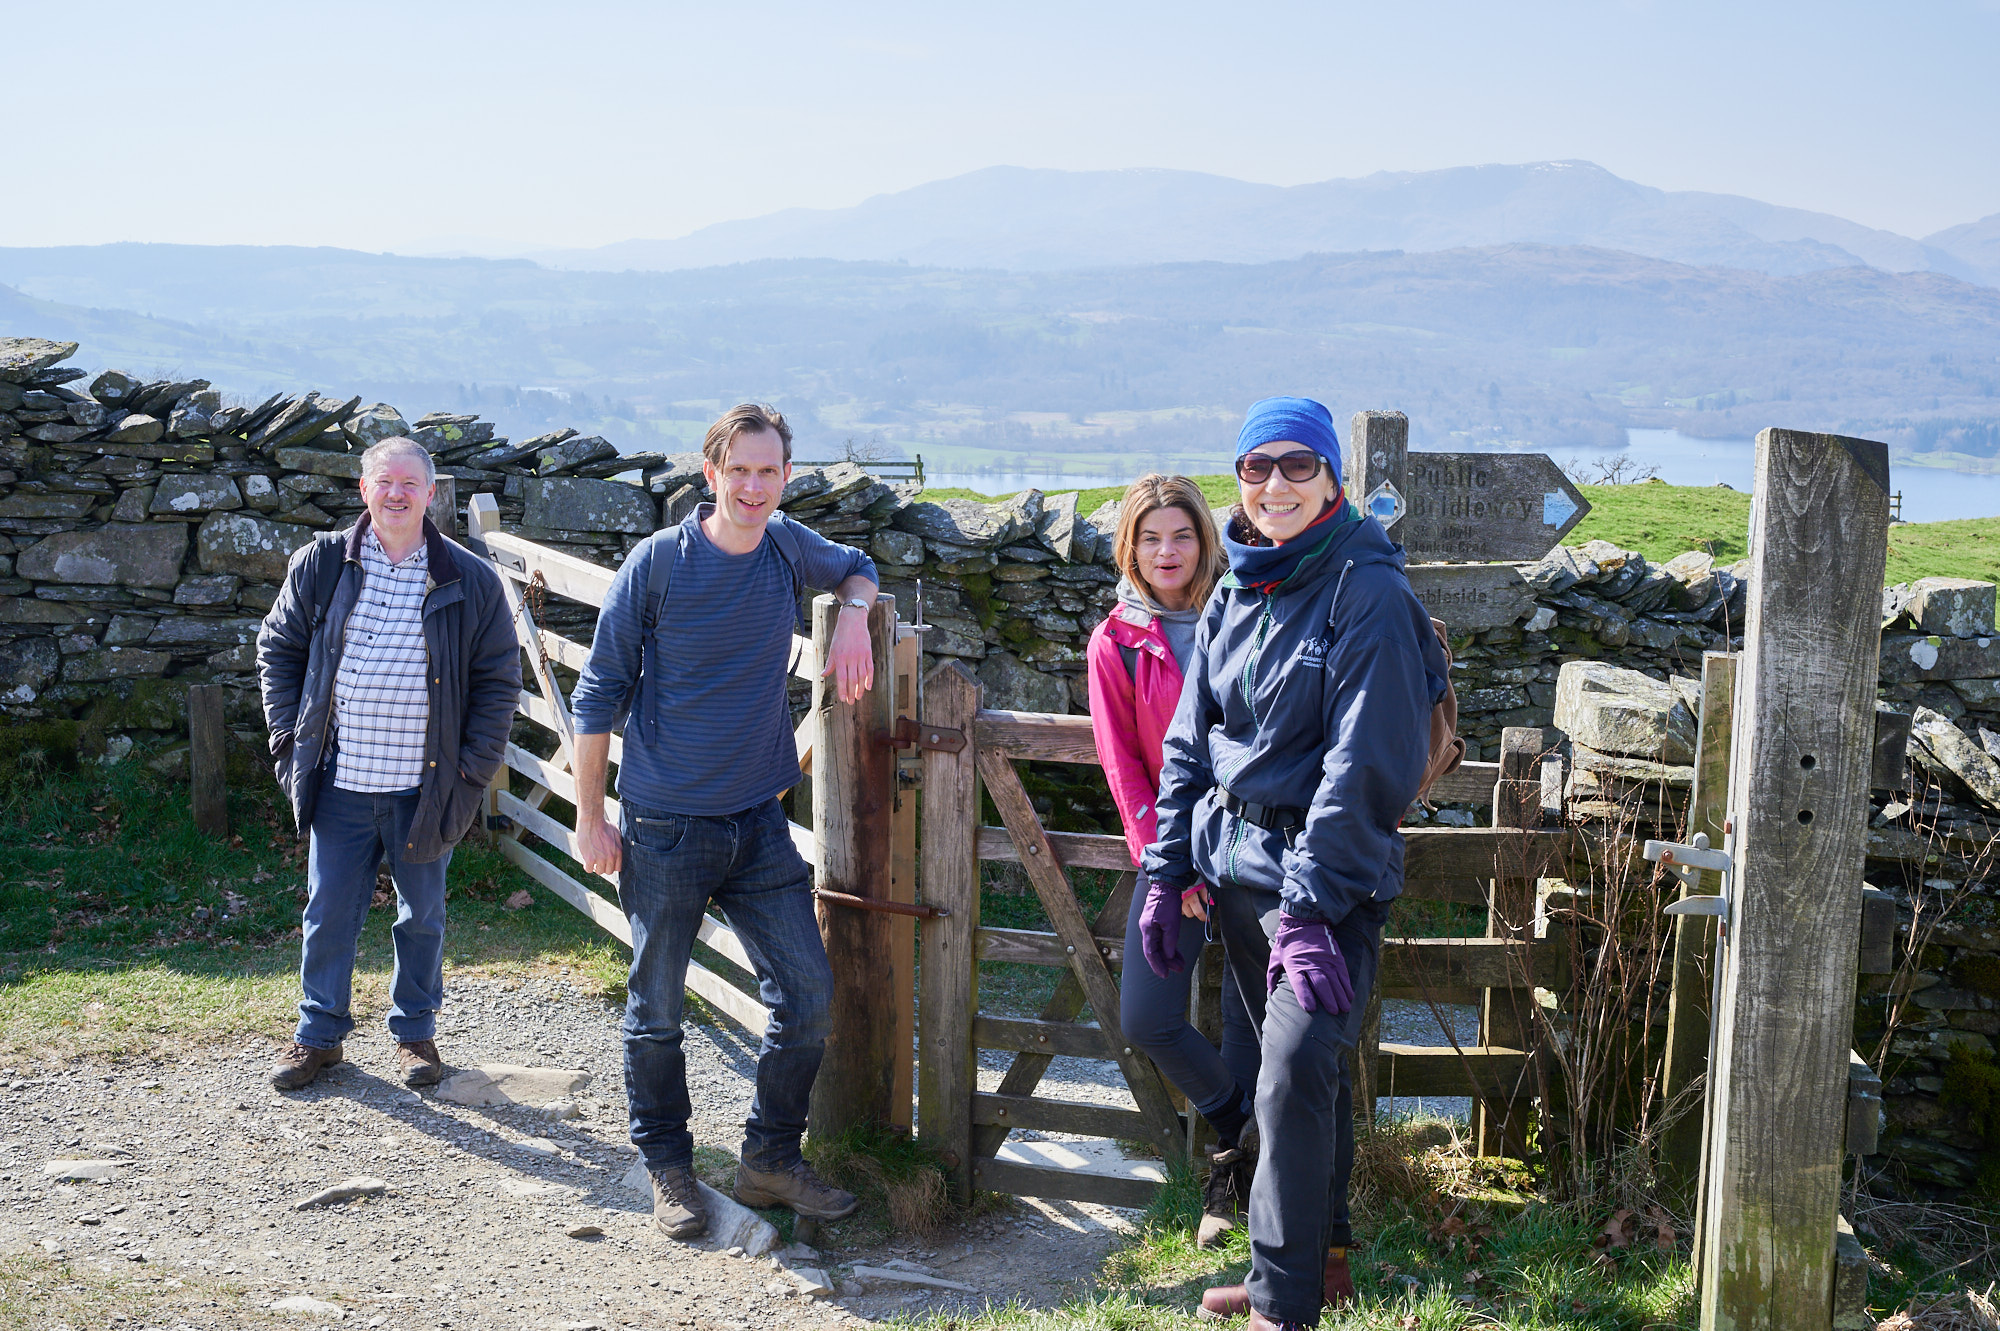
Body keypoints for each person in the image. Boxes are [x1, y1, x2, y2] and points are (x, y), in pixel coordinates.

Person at [1142, 398, 1448, 1327]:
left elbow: (1363, 770)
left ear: (1332, 480)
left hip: (1325, 887)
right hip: (1233, 870)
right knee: (1305, 1077)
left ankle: (1283, 1299)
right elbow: (1192, 741)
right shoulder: (1239, 583)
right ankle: (1327, 1261)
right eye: (1256, 466)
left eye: (1296, 466)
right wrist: (1164, 870)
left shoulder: (1370, 594)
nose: (1274, 484)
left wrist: (1311, 911)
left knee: (1287, 1072)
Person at [568, 403, 881, 1243]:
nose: (752, 485)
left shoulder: (786, 545)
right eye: (737, 470)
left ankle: (769, 1158)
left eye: (768, 471)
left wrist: (853, 615)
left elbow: (860, 566)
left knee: (808, 997)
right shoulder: (658, 565)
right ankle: (669, 1165)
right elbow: (596, 693)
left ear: (785, 477)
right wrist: (590, 816)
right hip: (665, 826)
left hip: (759, 824)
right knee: (657, 1004)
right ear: (710, 475)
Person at [257, 436, 522, 1093]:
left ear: (432, 494)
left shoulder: (468, 577)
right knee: (328, 912)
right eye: (385, 481)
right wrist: (290, 745)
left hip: (428, 788)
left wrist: (469, 775)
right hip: (340, 780)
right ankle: (318, 1036)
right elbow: (279, 647)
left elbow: (498, 682)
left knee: (422, 916)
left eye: (411, 483)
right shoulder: (323, 564)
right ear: (363, 490)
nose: (397, 493)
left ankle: (414, 1035)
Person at [1088, 474, 1260, 1249]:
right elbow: (1127, 773)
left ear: (1205, 540)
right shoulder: (1115, 644)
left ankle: (1235, 1187)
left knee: (1250, 1016)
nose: (1167, 551)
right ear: (1131, 545)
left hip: (1258, 846)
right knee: (1149, 1017)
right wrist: (1172, 867)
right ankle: (1241, 1126)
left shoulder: (1247, 616)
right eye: (1151, 537)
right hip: (1176, 860)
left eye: (1181, 535)